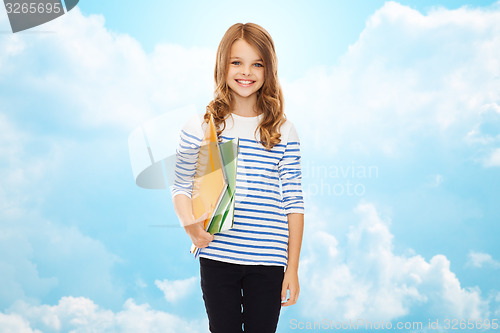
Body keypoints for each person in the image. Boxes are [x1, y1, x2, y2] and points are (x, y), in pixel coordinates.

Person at [171, 22, 305, 333]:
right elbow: (180, 185)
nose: (246, 72)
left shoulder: (283, 130)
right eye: (237, 62)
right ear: (222, 65)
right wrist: (189, 224)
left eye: (257, 64)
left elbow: (294, 201)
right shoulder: (203, 126)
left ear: (268, 70)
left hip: (269, 261)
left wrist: (292, 267)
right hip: (217, 254)